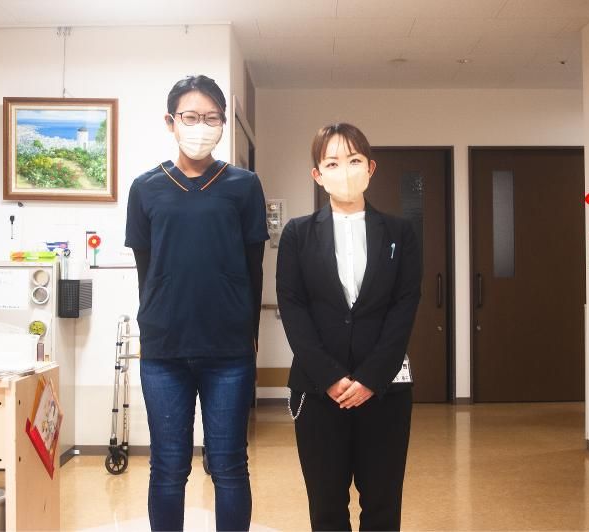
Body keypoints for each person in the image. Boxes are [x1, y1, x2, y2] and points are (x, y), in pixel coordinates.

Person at [125, 74, 268, 532]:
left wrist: (249, 339)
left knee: (229, 465)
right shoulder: (146, 188)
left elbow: (253, 270)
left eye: (211, 117)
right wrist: (153, 331)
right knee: (168, 468)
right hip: (164, 353)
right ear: (171, 122)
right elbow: (147, 273)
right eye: (190, 117)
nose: (200, 126)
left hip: (228, 353)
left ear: (223, 123)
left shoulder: (243, 186)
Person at [276, 123, 421, 531]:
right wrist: (329, 376)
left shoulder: (400, 233)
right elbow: (293, 307)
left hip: (385, 390)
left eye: (354, 160)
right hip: (318, 391)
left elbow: (405, 305)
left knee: (383, 506)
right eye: (332, 163)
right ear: (317, 175)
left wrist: (373, 377)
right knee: (326, 508)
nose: (345, 171)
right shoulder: (297, 234)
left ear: (370, 168)